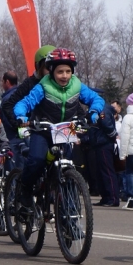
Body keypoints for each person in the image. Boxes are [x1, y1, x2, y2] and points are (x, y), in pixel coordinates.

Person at [12, 48, 106, 204]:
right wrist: (21, 116)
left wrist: (94, 112)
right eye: (60, 72)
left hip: (65, 130)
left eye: (68, 71)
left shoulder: (77, 85)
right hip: (42, 130)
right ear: (51, 71)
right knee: (36, 160)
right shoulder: (43, 87)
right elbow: (24, 103)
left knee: (67, 167)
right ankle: (26, 190)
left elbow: (96, 99)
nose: (65, 76)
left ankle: (65, 212)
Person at [1, 45, 55, 141]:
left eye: (55, 68)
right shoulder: (30, 83)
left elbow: (75, 105)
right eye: (48, 68)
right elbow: (8, 105)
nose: (52, 72)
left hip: (58, 131)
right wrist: (19, 123)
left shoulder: (65, 86)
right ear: (39, 67)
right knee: (35, 155)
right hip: (36, 131)